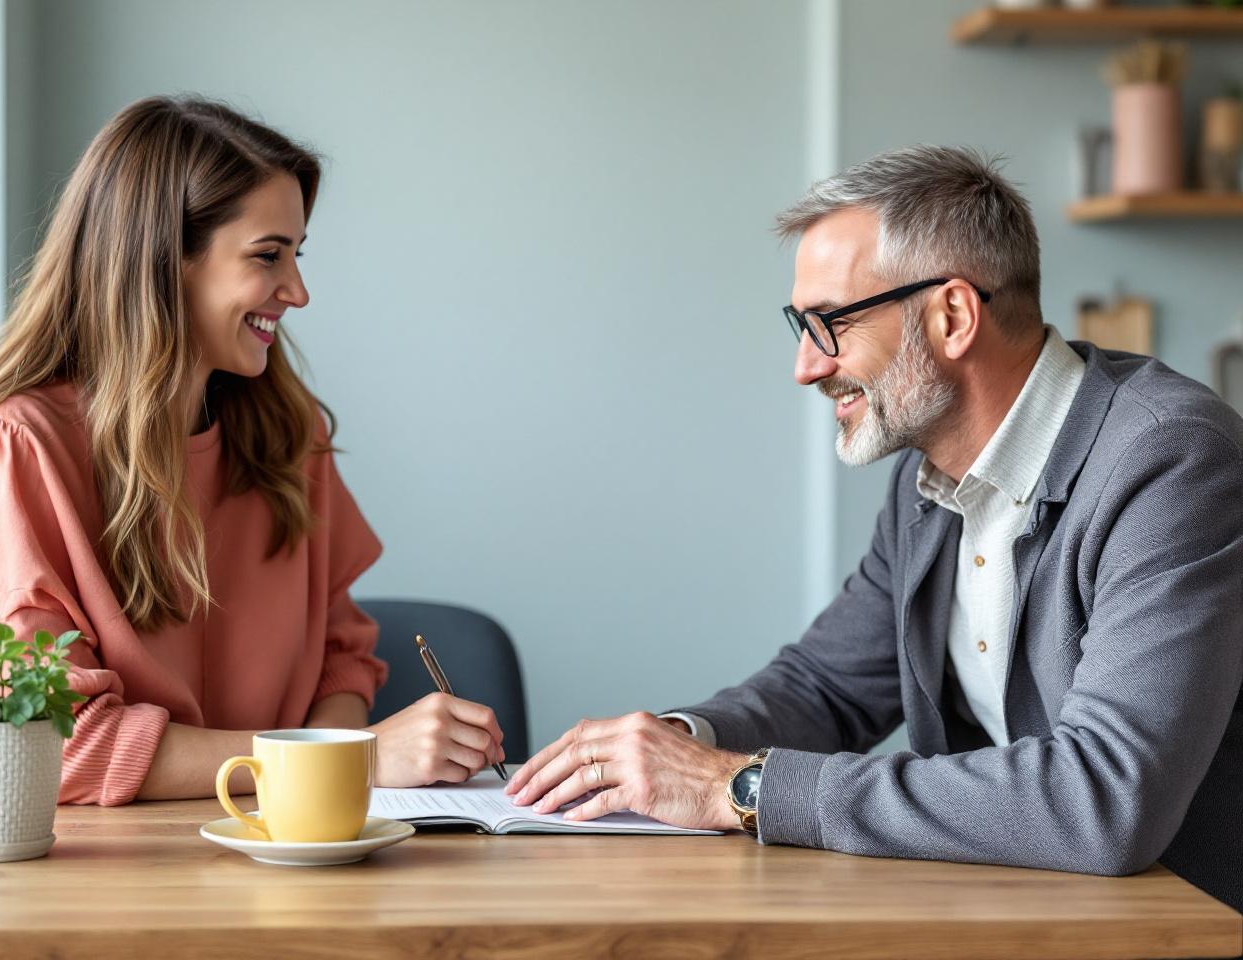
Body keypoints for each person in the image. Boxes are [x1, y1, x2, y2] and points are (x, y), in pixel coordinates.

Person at [506, 145, 1242, 912]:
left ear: (951, 315)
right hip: (1026, 913)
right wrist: (671, 747)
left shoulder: (1169, 462)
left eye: (828, 324)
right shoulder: (928, 480)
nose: (806, 367)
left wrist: (742, 787)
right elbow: (827, 689)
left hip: (1186, 923)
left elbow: (1103, 800)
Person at [0, 96, 505, 805]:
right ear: (165, 261)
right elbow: (52, 745)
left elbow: (343, 657)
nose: (298, 291)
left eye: (296, 255)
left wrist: (340, 766)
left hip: (289, 862)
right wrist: (349, 761)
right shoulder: (15, 451)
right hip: (106, 878)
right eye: (268, 256)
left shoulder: (287, 433)